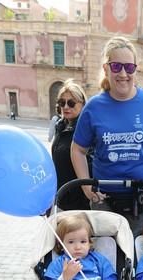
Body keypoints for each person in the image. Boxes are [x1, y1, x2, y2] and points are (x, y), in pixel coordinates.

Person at [71, 36, 143, 235]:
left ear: (135, 69)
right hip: (104, 198)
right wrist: (86, 186)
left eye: (129, 67)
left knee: (139, 250)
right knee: (109, 254)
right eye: (116, 66)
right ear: (106, 68)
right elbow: (77, 149)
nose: (123, 74)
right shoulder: (93, 107)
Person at [51, 81, 90, 211]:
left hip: (79, 201)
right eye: (62, 103)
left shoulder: (87, 130)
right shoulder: (60, 126)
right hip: (60, 196)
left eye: (71, 103)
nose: (66, 107)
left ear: (83, 104)